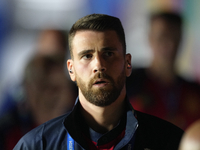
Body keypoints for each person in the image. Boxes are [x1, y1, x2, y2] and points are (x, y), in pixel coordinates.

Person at [14, 14, 183, 150]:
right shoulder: (37, 145)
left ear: (128, 64)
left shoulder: (170, 142)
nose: (99, 65)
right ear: (71, 70)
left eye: (108, 54)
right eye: (87, 56)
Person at [0, 29, 78, 150]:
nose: (50, 96)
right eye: (43, 87)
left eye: (56, 88)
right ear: (29, 90)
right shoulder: (10, 127)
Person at [126, 11, 200, 130]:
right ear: (150, 38)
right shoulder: (128, 83)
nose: (170, 45)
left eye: (175, 37)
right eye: (162, 37)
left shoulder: (194, 91)